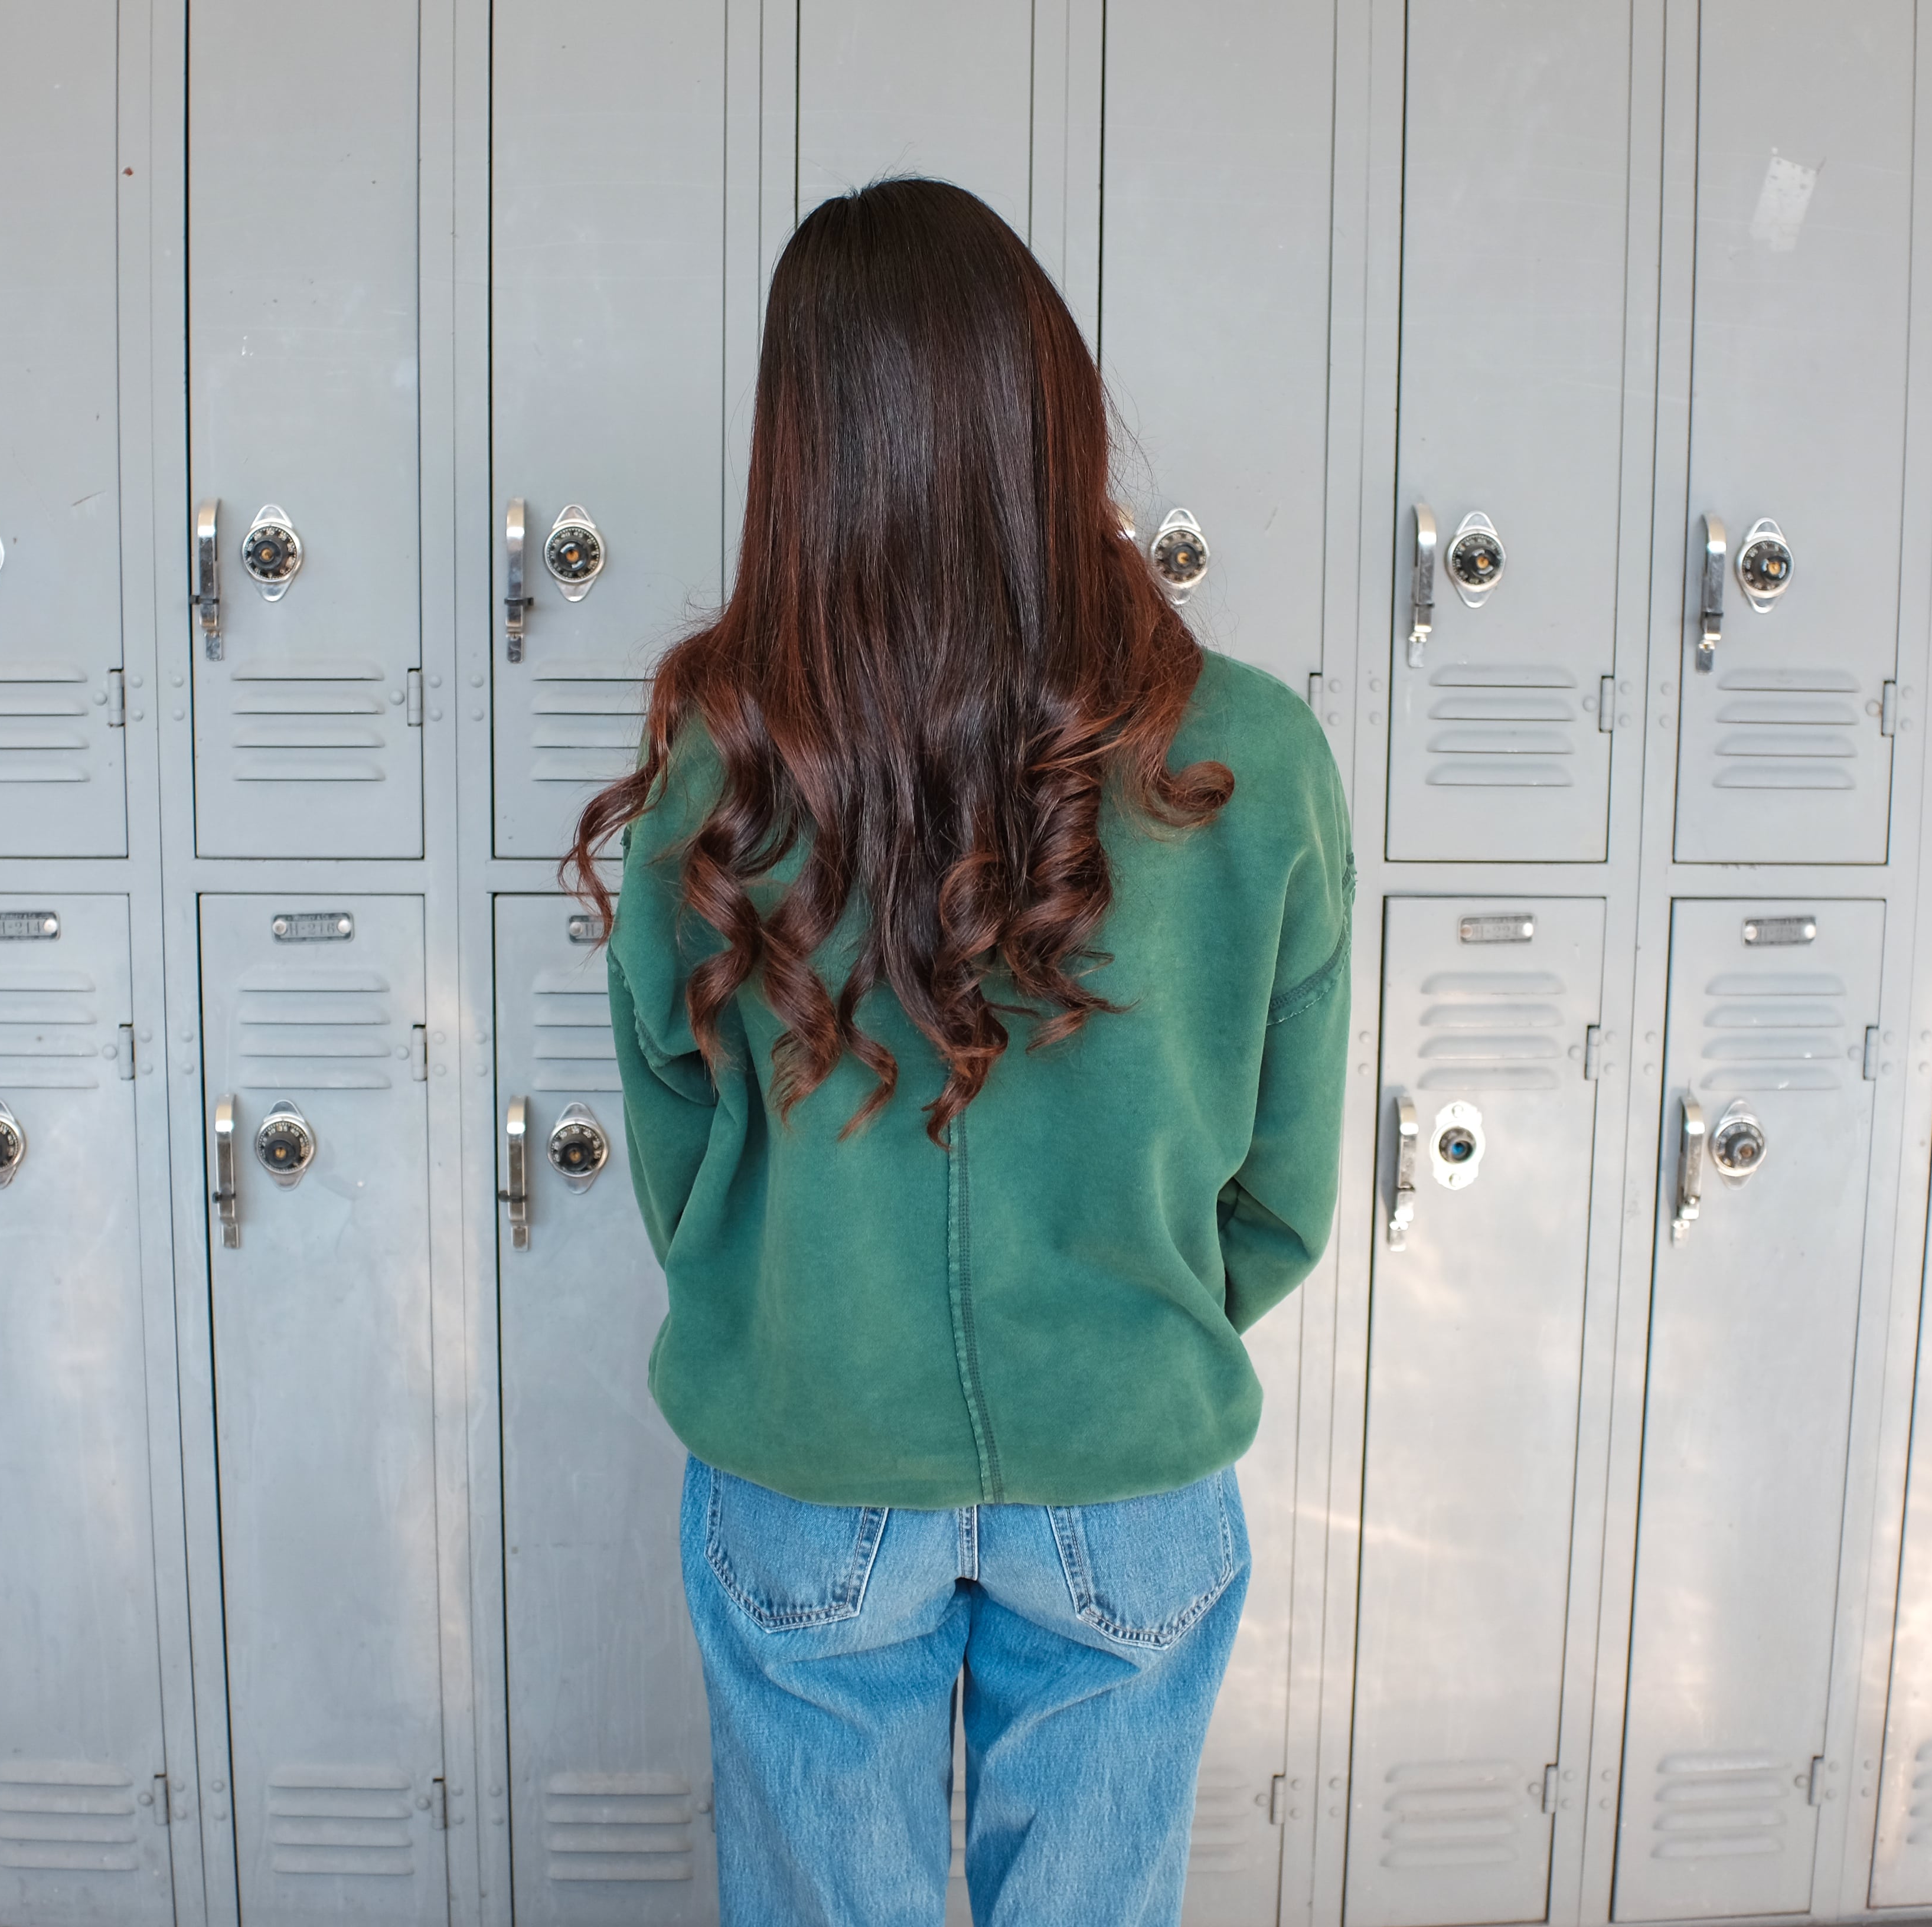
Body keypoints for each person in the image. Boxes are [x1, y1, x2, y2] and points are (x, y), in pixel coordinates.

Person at [566, 177, 1353, 1926]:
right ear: (1051, 406)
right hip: (1130, 1461)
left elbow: (679, 1130)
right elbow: (1288, 1176)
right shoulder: (1254, 759)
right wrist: (1138, 1326)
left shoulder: (723, 756)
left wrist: (785, 1303)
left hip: (811, 1443)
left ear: (805, 453)